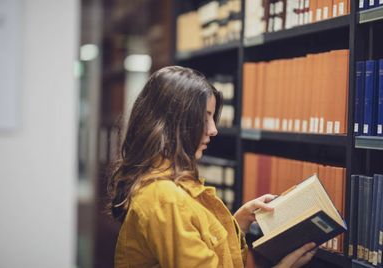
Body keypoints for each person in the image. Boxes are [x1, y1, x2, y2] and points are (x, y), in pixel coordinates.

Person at [108, 66, 317, 268]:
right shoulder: (165, 197)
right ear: (175, 122)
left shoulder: (172, 187)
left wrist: (238, 223)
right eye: (205, 117)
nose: (214, 130)